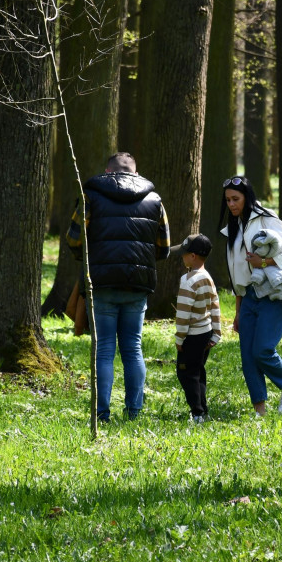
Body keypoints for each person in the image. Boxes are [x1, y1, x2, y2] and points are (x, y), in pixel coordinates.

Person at [67, 152, 170, 422]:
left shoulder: (90, 195)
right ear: (135, 173)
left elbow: (74, 239)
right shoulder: (155, 200)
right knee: (133, 348)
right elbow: (165, 246)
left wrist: (90, 260)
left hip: (102, 282)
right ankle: (134, 411)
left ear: (106, 171)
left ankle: (101, 413)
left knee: (104, 350)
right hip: (138, 284)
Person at [218, 176, 282, 417]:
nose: (232, 204)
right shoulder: (233, 227)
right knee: (248, 357)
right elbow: (237, 273)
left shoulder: (266, 218)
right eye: (227, 200)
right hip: (247, 298)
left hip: (273, 295)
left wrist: (265, 261)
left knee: (263, 350)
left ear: (247, 197)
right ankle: (260, 412)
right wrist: (238, 311)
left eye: (236, 199)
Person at [172, 234, 222, 423]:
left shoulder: (188, 280)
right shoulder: (207, 277)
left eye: (184, 254)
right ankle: (202, 408)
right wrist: (216, 333)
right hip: (206, 333)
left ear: (192, 256)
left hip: (191, 336)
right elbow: (215, 305)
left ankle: (197, 413)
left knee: (186, 374)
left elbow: (183, 315)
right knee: (198, 371)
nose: (182, 257)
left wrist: (179, 338)